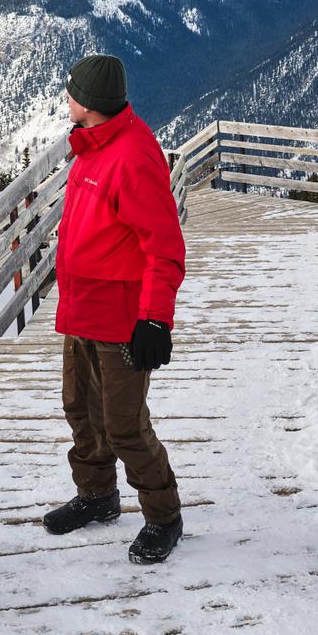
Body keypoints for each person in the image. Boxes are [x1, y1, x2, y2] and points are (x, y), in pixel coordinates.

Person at [41, 53, 188, 564]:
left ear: (89, 103)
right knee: (80, 410)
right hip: (81, 308)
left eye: (71, 90)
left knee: (124, 423)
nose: (66, 96)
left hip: (122, 318)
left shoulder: (132, 157)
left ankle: (164, 516)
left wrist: (154, 318)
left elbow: (165, 246)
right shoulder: (93, 147)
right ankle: (98, 495)